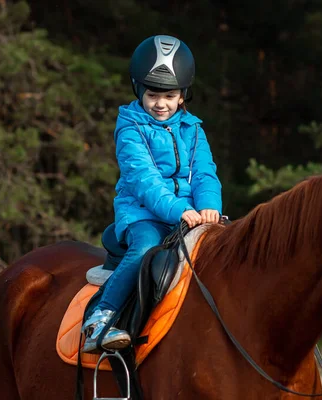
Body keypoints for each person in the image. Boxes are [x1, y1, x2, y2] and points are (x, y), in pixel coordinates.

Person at [81, 35, 222, 353]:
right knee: (146, 248)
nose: (161, 103)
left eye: (170, 95)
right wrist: (177, 210)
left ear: (182, 96)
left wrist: (210, 206)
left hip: (187, 213)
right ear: (139, 91)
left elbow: (204, 174)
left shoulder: (192, 129)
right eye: (153, 94)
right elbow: (144, 180)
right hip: (142, 212)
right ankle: (100, 319)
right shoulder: (130, 127)